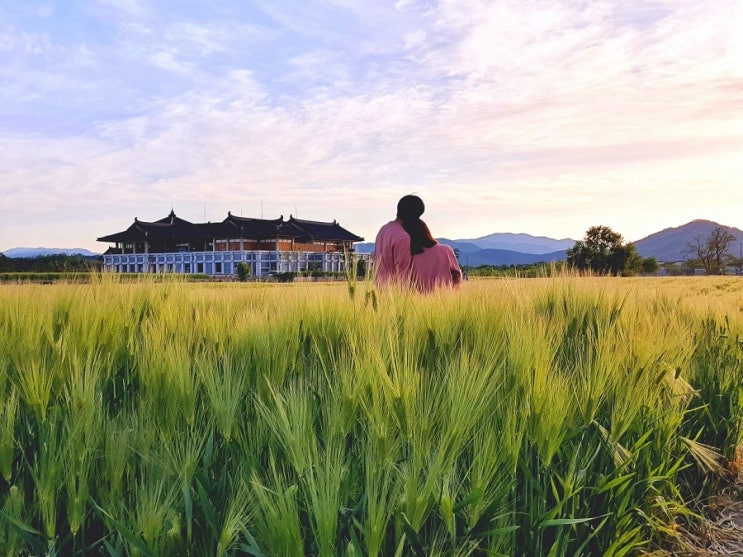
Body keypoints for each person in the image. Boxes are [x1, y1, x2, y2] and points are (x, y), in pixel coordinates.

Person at [374, 194, 462, 292]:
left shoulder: (383, 230)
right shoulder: (403, 237)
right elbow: (403, 276)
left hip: (380, 292)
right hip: (394, 296)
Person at [407, 218, 462, 293]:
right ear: (426, 232)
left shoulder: (410, 258)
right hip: (448, 299)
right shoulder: (446, 250)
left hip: (420, 302)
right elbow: (457, 276)